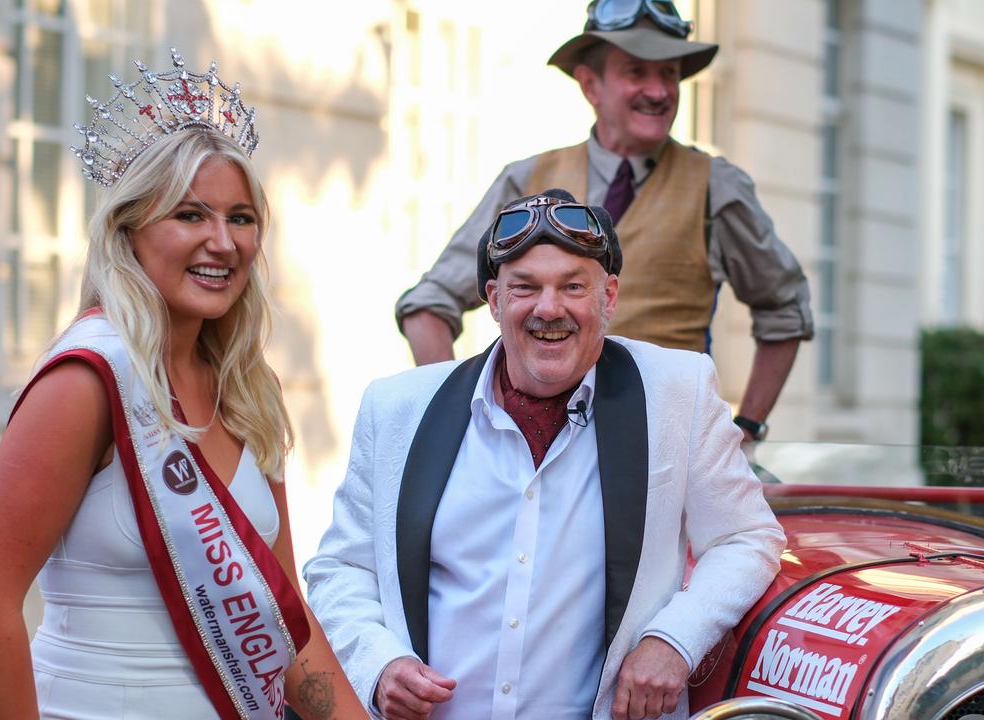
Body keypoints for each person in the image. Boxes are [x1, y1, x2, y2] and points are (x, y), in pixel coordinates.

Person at [0, 50, 366, 720]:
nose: (223, 243)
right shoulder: (87, 380)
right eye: (191, 215)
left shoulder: (249, 392)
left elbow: (281, 613)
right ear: (130, 230)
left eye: (241, 218)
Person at [306, 189, 785, 719]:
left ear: (610, 296)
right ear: (493, 300)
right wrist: (379, 665)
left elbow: (747, 536)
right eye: (525, 288)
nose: (549, 308)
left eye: (573, 287)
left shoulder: (679, 390)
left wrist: (673, 639)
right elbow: (341, 568)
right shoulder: (396, 407)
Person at [396, 0, 813, 443]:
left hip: (663, 457)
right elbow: (428, 305)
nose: (658, 91)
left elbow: (785, 309)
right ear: (590, 85)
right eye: (637, 71)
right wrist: (459, 422)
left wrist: (747, 427)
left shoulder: (717, 187)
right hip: (534, 455)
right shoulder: (526, 179)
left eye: (669, 73)